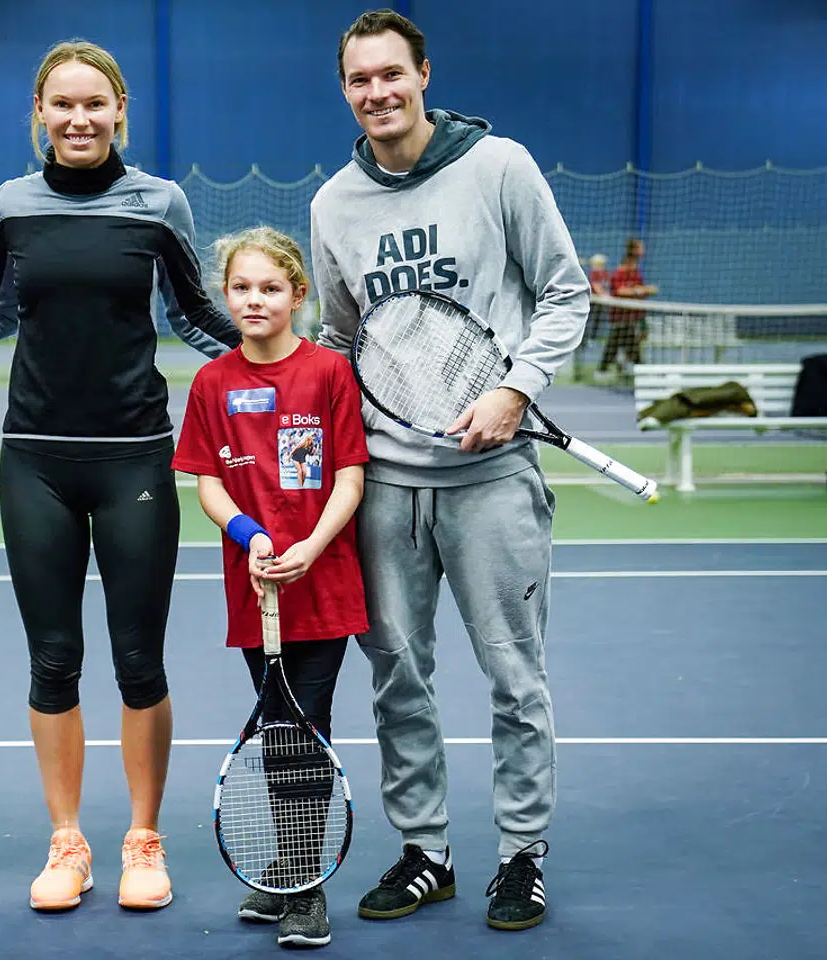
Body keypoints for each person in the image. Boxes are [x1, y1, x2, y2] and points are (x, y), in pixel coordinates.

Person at [0, 39, 242, 912]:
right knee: (53, 661)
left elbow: (194, 316)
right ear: (39, 114)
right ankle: (67, 842)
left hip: (135, 460)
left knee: (138, 661)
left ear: (120, 111)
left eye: (95, 104)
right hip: (34, 459)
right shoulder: (10, 205)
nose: (79, 119)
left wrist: (287, 361)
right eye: (62, 105)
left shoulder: (161, 203)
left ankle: (143, 841)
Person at [312, 9, 589, 931]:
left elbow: (563, 290)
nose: (378, 93)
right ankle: (425, 851)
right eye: (360, 80)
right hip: (386, 486)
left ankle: (522, 857)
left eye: (393, 74)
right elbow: (337, 341)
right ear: (345, 90)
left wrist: (515, 390)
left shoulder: (498, 167)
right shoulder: (331, 206)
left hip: (494, 481)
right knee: (398, 675)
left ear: (424, 74)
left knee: (516, 676)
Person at [172, 227, 368, 948]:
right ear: (227, 296)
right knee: (281, 728)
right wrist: (251, 538)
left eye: (271, 288)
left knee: (300, 728)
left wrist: (312, 547)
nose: (255, 300)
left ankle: (304, 887)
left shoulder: (327, 374)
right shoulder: (212, 381)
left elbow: (350, 475)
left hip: (324, 586)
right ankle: (288, 866)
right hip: (256, 589)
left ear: (297, 295)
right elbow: (209, 484)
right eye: (243, 288)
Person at [598, 237, 659, 375]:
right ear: (633, 250)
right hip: (621, 315)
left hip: (635, 313)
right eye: (640, 247)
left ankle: (624, 365)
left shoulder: (635, 268)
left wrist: (645, 290)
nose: (643, 250)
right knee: (618, 342)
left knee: (632, 340)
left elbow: (635, 287)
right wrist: (642, 290)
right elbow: (620, 290)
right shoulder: (623, 270)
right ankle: (607, 369)